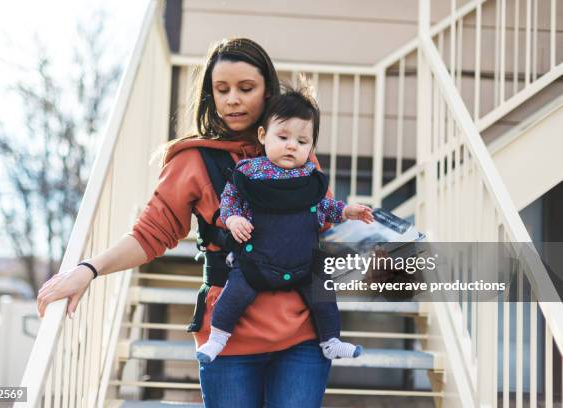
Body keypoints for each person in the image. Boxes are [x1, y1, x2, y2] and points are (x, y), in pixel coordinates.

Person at [36, 38, 347, 408]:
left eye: (246, 88)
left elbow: (324, 226)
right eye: (222, 89)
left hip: (304, 333)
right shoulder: (193, 161)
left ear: (267, 93)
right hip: (229, 337)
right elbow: (151, 233)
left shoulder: (300, 155)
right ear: (210, 95)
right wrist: (89, 268)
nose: (233, 98)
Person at [196, 86, 374, 364]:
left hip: (302, 260)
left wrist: (347, 211)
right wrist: (233, 219)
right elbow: (229, 201)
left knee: (323, 289)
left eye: (302, 142)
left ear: (311, 147)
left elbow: (324, 207)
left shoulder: (310, 177)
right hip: (257, 259)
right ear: (263, 136)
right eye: (283, 137)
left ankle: (330, 340)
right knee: (236, 292)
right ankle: (217, 338)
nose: (292, 145)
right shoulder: (249, 172)